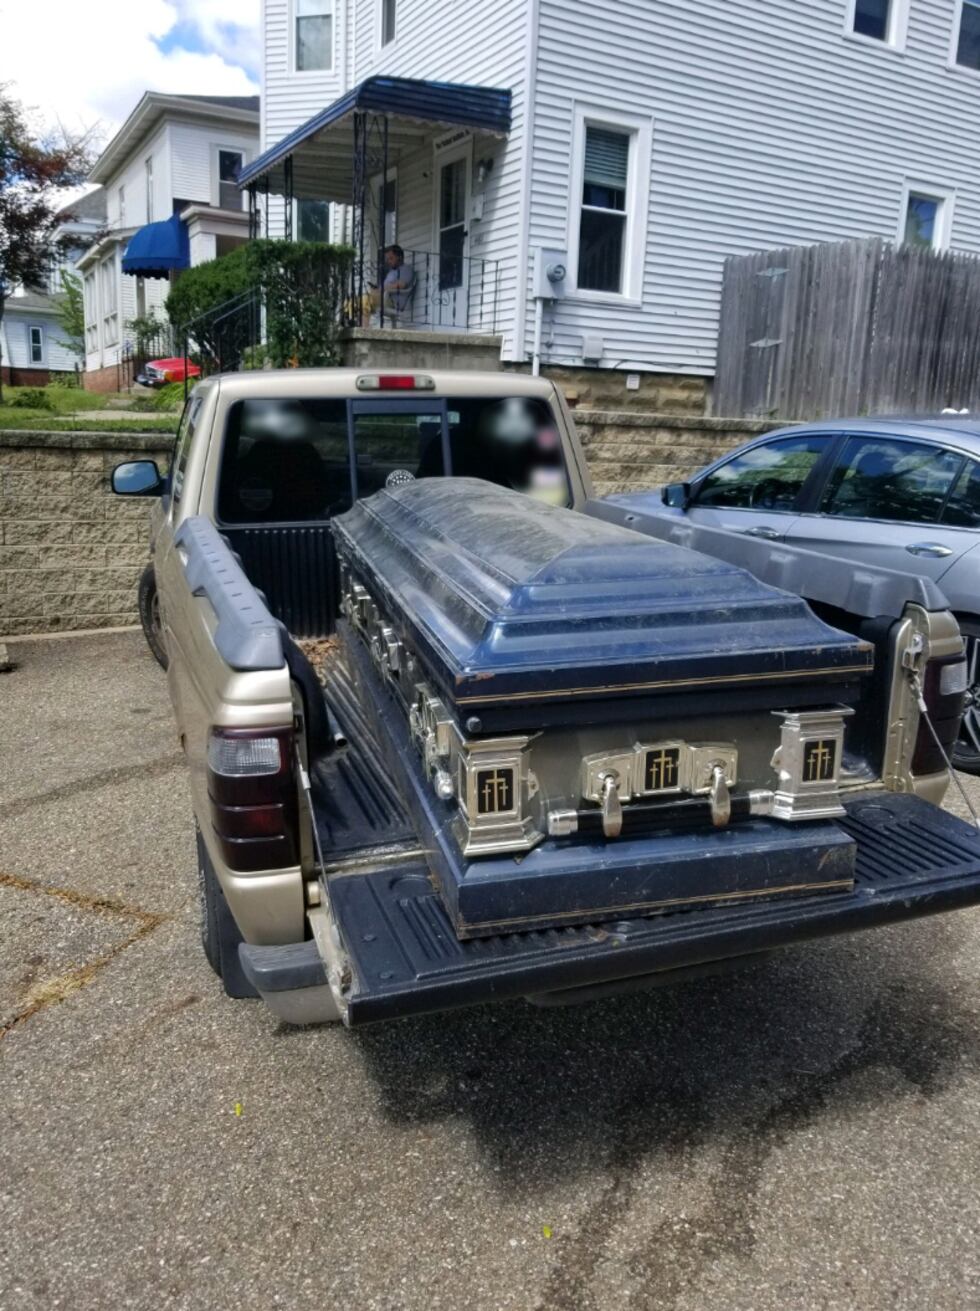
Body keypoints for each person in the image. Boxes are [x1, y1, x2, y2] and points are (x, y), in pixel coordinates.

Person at [382, 244, 416, 318]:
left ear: (399, 257)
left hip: (394, 302)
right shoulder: (391, 272)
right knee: (358, 302)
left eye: (391, 258)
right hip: (384, 297)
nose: (388, 261)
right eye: (387, 259)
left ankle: (364, 328)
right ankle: (364, 327)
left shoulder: (406, 269)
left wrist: (383, 288)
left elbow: (401, 285)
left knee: (365, 301)